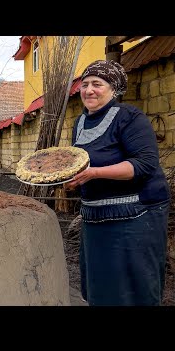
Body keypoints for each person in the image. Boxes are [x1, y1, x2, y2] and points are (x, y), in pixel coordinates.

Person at [65, 59, 170, 306]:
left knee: (132, 288)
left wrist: (95, 173)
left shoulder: (129, 117)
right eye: (85, 84)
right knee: (102, 284)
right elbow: (80, 164)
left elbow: (145, 164)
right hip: (96, 217)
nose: (89, 90)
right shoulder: (79, 123)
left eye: (97, 84)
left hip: (136, 216)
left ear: (113, 89)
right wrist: (73, 179)